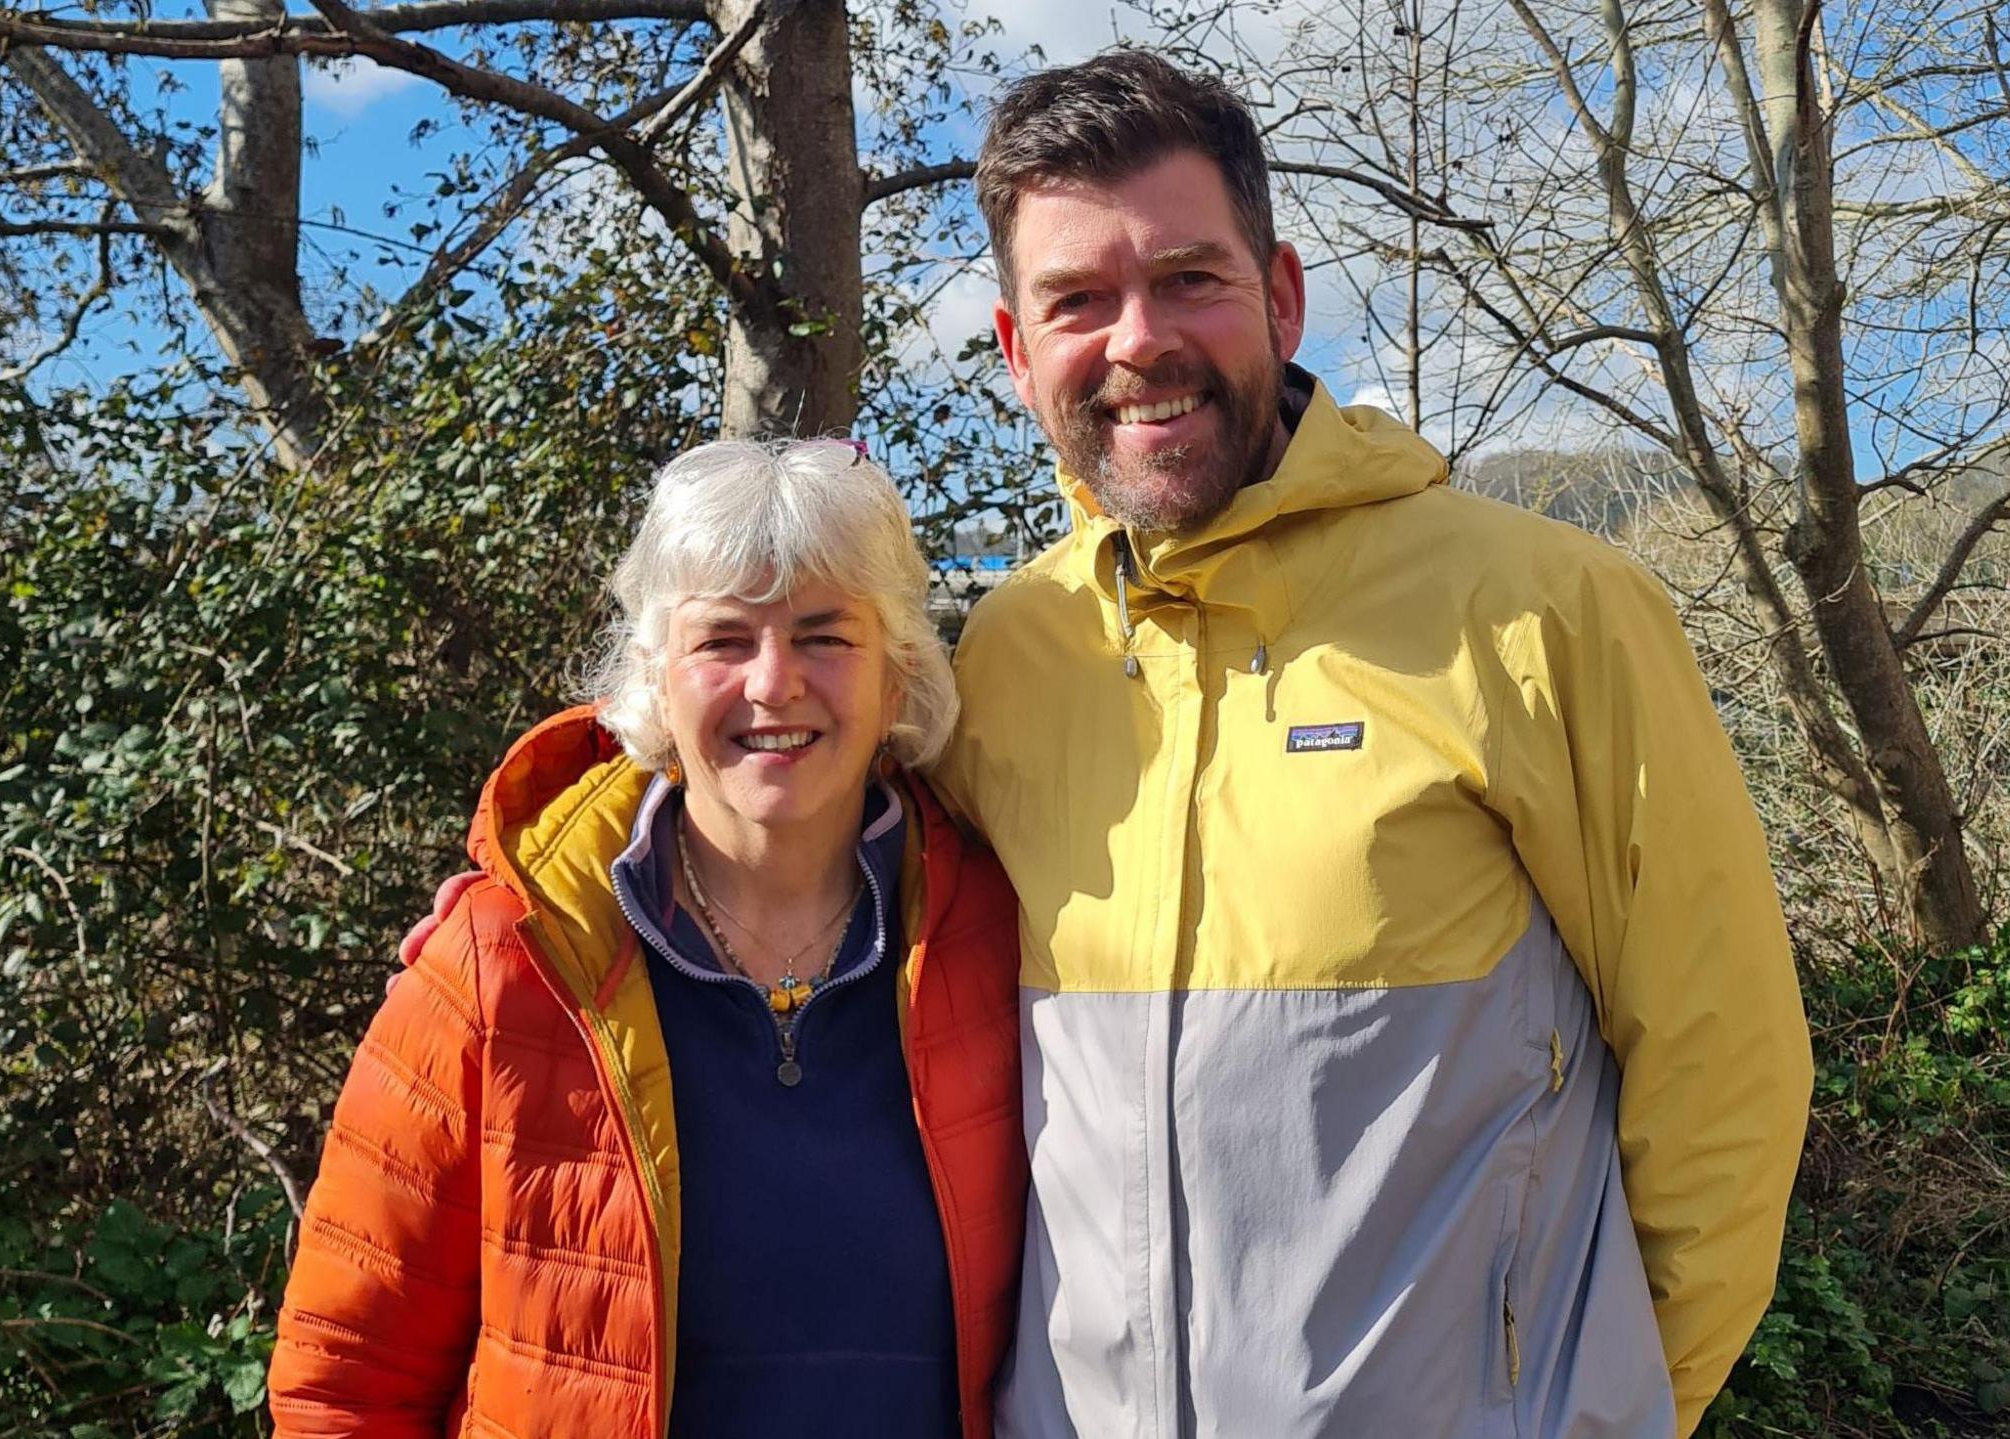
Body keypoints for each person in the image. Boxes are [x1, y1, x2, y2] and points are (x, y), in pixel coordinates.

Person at [929, 52, 1813, 1437]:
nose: (1138, 339)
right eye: (1078, 301)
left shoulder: (1547, 610)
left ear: (1280, 296)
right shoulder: (1007, 656)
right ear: (1014, 347)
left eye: (1190, 278)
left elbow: (1727, 1073)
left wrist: (1606, 1411)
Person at [266, 440, 1026, 1438]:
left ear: (898, 676)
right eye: (722, 639)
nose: (771, 683)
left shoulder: (1004, 936)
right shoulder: (506, 962)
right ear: (654, 680)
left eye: (824, 635)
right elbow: (347, 1381)